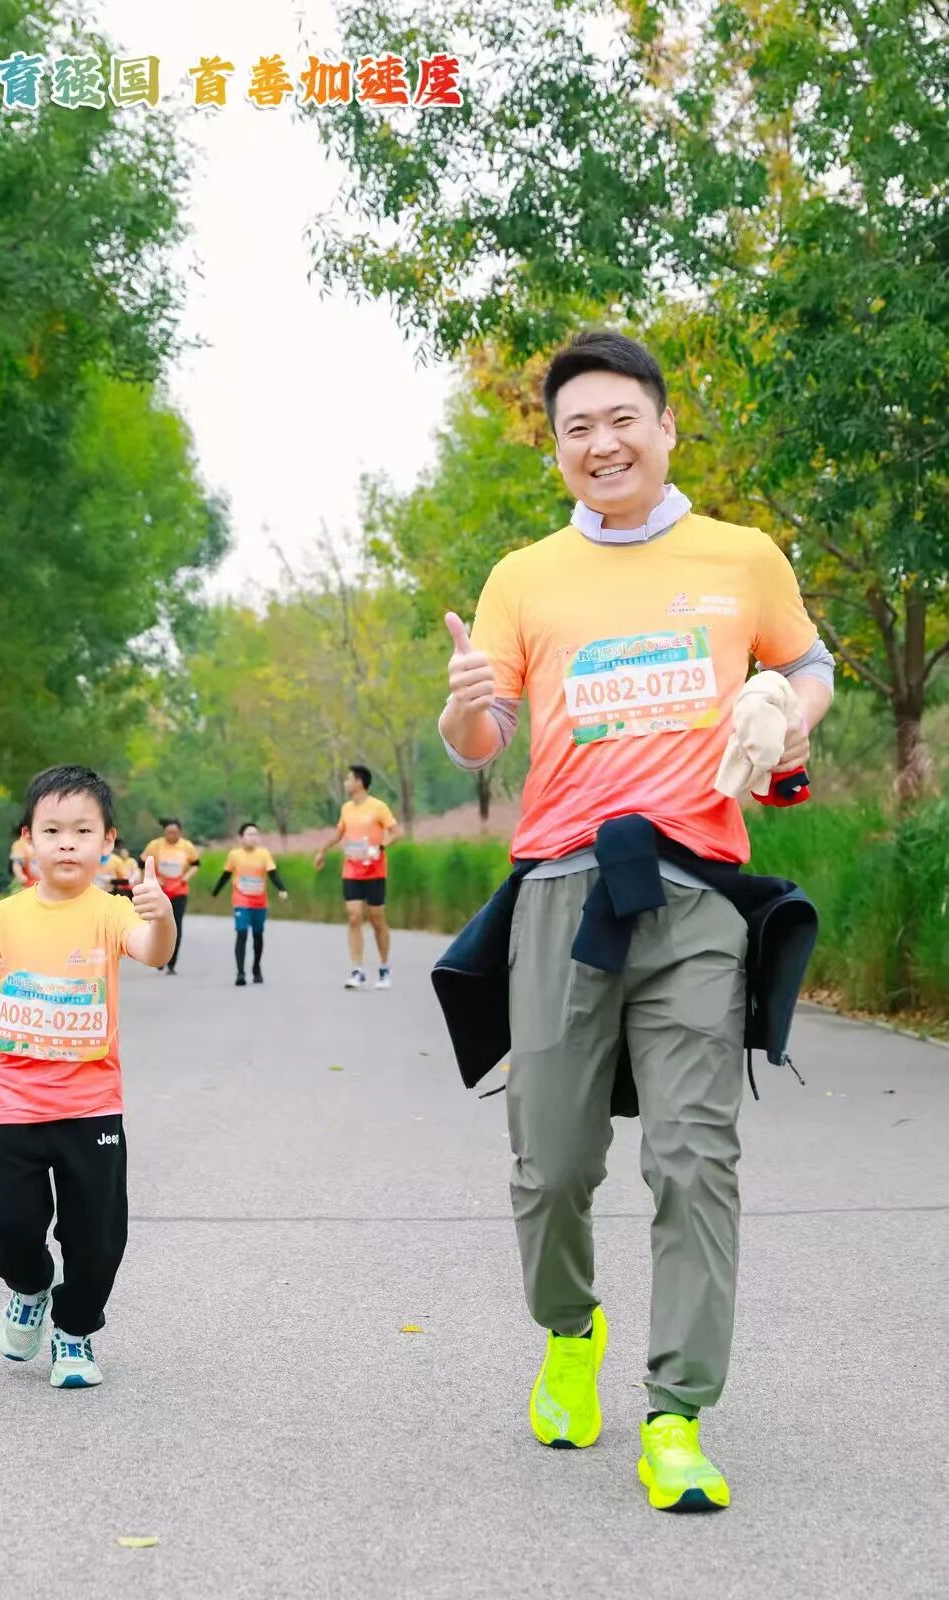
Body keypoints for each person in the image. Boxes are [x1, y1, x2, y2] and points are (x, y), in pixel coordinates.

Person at [438, 330, 835, 1511]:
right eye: (577, 427)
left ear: (664, 427)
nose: (601, 442)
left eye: (622, 419)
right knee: (550, 1161)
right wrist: (463, 708)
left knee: (693, 1157)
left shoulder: (739, 556)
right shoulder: (523, 576)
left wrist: (788, 709)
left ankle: (676, 1413)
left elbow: (809, 662)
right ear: (557, 448)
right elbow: (481, 739)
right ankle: (569, 1332)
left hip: (697, 892)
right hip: (561, 888)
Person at [0, 764, 175, 1390]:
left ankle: (73, 1335)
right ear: (28, 839)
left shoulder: (111, 913)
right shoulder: (3, 918)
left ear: (107, 841)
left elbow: (155, 951)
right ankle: (30, 1288)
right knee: (0, 1217)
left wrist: (160, 917)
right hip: (15, 1104)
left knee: (97, 1237)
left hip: (92, 1106)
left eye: (82, 830)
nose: (67, 843)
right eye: (52, 830)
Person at [314, 765, 401, 989]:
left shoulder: (378, 807)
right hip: (352, 870)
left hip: (374, 871)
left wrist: (380, 846)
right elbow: (339, 833)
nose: (345, 783)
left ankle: (384, 968)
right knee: (354, 917)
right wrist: (322, 850)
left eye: (348, 779)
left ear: (359, 782)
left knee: (376, 919)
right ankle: (357, 970)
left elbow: (396, 832)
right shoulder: (346, 808)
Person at [211, 821, 289, 986]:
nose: (253, 837)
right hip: (241, 901)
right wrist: (215, 891)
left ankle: (256, 967)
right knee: (242, 933)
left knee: (258, 936)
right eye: (249, 834)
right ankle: (240, 973)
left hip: (259, 902)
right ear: (241, 837)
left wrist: (281, 889)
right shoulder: (234, 855)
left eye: (256, 834)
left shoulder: (264, 854)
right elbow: (226, 875)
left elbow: (273, 873)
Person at [140, 819, 199, 974]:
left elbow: (196, 864)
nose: (172, 835)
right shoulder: (155, 845)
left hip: (179, 891)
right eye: (169, 832)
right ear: (164, 832)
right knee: (158, 925)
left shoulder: (187, 846)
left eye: (175, 832)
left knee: (176, 926)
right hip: (159, 891)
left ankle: (172, 963)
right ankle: (160, 958)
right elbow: (142, 863)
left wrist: (186, 877)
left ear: (180, 832)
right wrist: (154, 878)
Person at [9, 825, 42, 892]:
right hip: (27, 883)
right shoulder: (20, 845)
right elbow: (16, 864)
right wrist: (20, 875)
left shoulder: (40, 844)